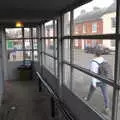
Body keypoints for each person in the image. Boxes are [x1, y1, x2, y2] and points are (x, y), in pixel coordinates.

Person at [84, 50, 110, 115]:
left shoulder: (94, 62)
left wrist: (94, 84)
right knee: (105, 94)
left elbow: (93, 74)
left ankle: (87, 99)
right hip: (104, 80)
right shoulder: (103, 60)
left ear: (95, 54)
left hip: (97, 81)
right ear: (101, 54)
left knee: (91, 90)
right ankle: (107, 107)